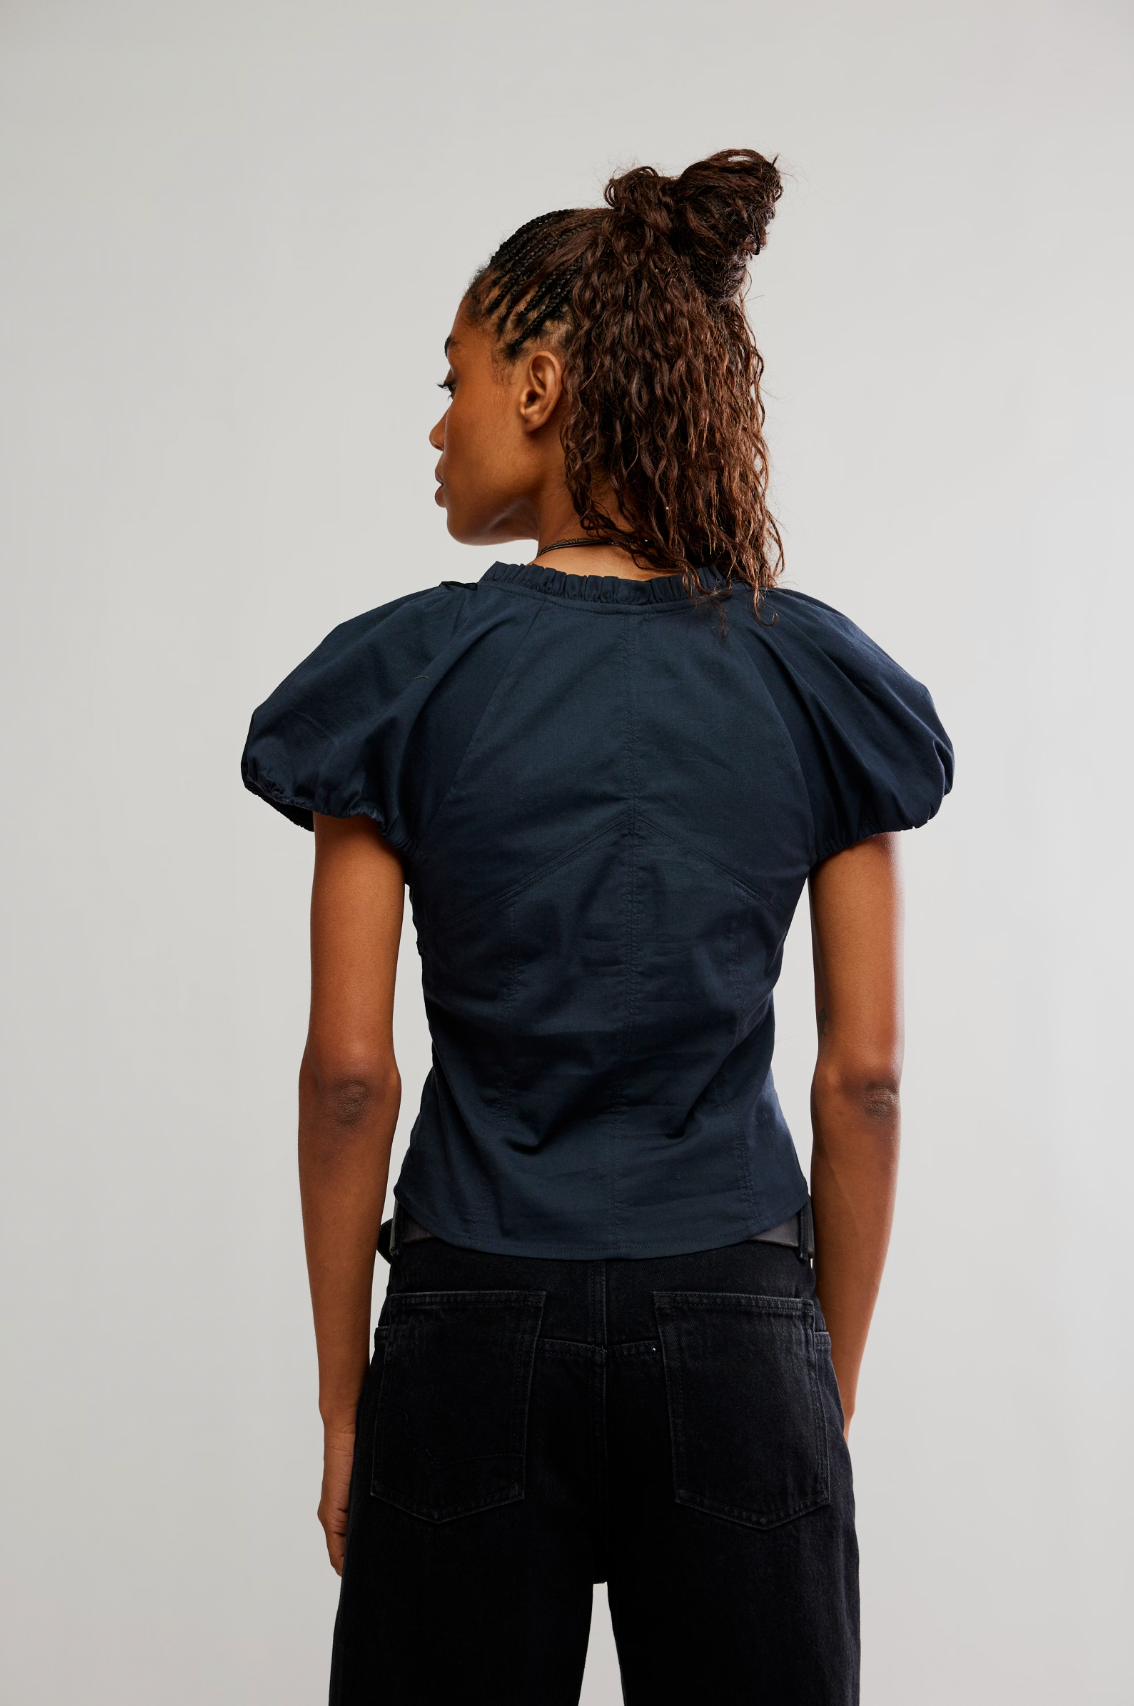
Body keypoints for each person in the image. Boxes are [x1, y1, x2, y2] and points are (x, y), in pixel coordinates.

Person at [242, 149, 953, 1705]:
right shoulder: (809, 676)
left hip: (469, 1321)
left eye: (458, 377)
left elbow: (350, 1072)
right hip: (739, 1314)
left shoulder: (399, 680)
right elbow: (867, 1075)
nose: (439, 422)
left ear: (546, 383)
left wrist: (345, 1407)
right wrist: (801, 1382)